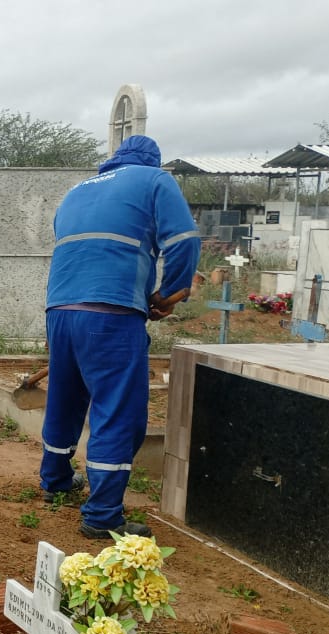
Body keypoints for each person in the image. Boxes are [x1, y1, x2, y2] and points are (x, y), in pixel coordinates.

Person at [39, 135, 200, 539]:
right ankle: (102, 515)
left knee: (64, 398)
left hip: (60, 310)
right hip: (112, 312)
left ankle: (55, 480)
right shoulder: (155, 180)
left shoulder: (76, 191)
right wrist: (171, 293)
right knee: (117, 411)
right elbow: (184, 241)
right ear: (152, 162)